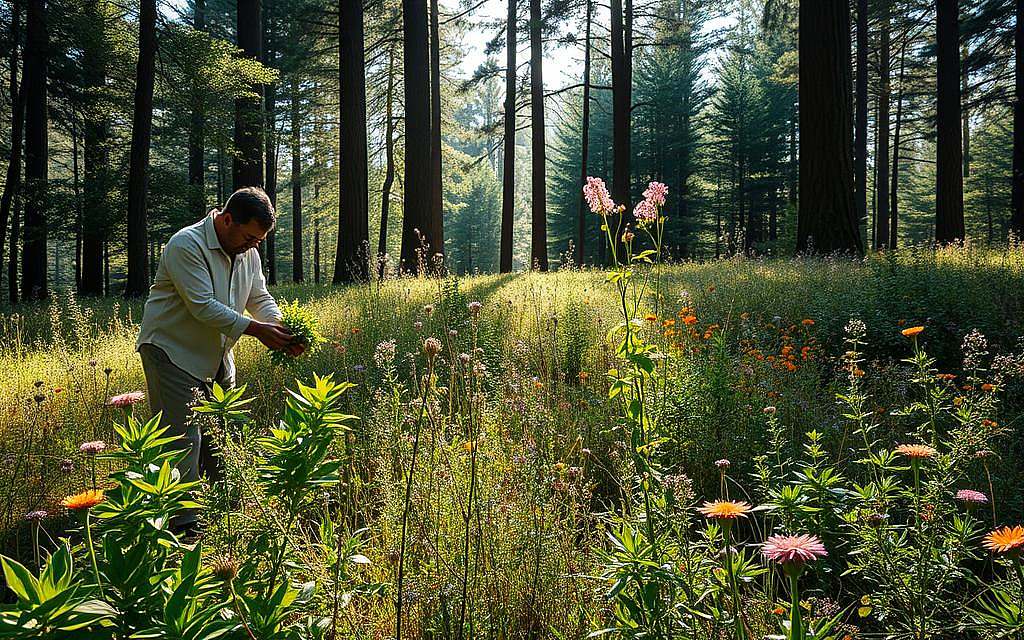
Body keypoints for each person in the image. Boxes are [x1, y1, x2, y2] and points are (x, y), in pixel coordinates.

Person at [136, 186, 304, 532]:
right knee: (183, 440)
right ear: (227, 220)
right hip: (172, 351)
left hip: (216, 356)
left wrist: (280, 326)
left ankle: (222, 512)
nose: (252, 245)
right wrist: (258, 331)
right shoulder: (186, 245)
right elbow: (202, 307)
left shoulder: (248, 253)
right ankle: (183, 526)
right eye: (248, 237)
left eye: (258, 240)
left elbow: (259, 295)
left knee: (224, 435)